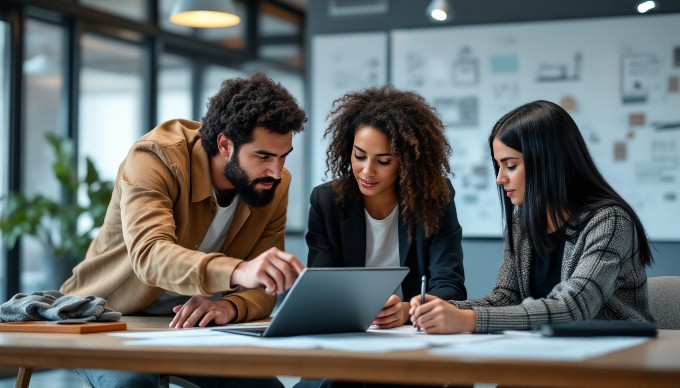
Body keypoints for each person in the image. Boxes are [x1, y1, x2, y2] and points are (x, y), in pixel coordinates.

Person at [61, 72, 307, 388]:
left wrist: (229, 306)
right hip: (108, 318)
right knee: (133, 385)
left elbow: (263, 288)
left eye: (283, 156)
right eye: (263, 156)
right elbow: (149, 255)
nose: (276, 171)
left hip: (189, 325)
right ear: (225, 144)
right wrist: (239, 271)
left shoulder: (273, 184)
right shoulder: (155, 156)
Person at [410, 99, 655, 334]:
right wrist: (446, 310)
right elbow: (506, 298)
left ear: (547, 162)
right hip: (550, 353)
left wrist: (468, 319)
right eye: (498, 166)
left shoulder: (610, 221)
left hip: (616, 360)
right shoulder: (522, 222)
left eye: (511, 165)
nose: (500, 178)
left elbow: (574, 307)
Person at [297, 85, 466, 388]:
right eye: (359, 156)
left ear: (406, 162)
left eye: (383, 161)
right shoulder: (326, 202)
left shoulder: (434, 198)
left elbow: (450, 286)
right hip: (347, 344)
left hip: (412, 343)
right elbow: (320, 286)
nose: (366, 171)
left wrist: (406, 311)